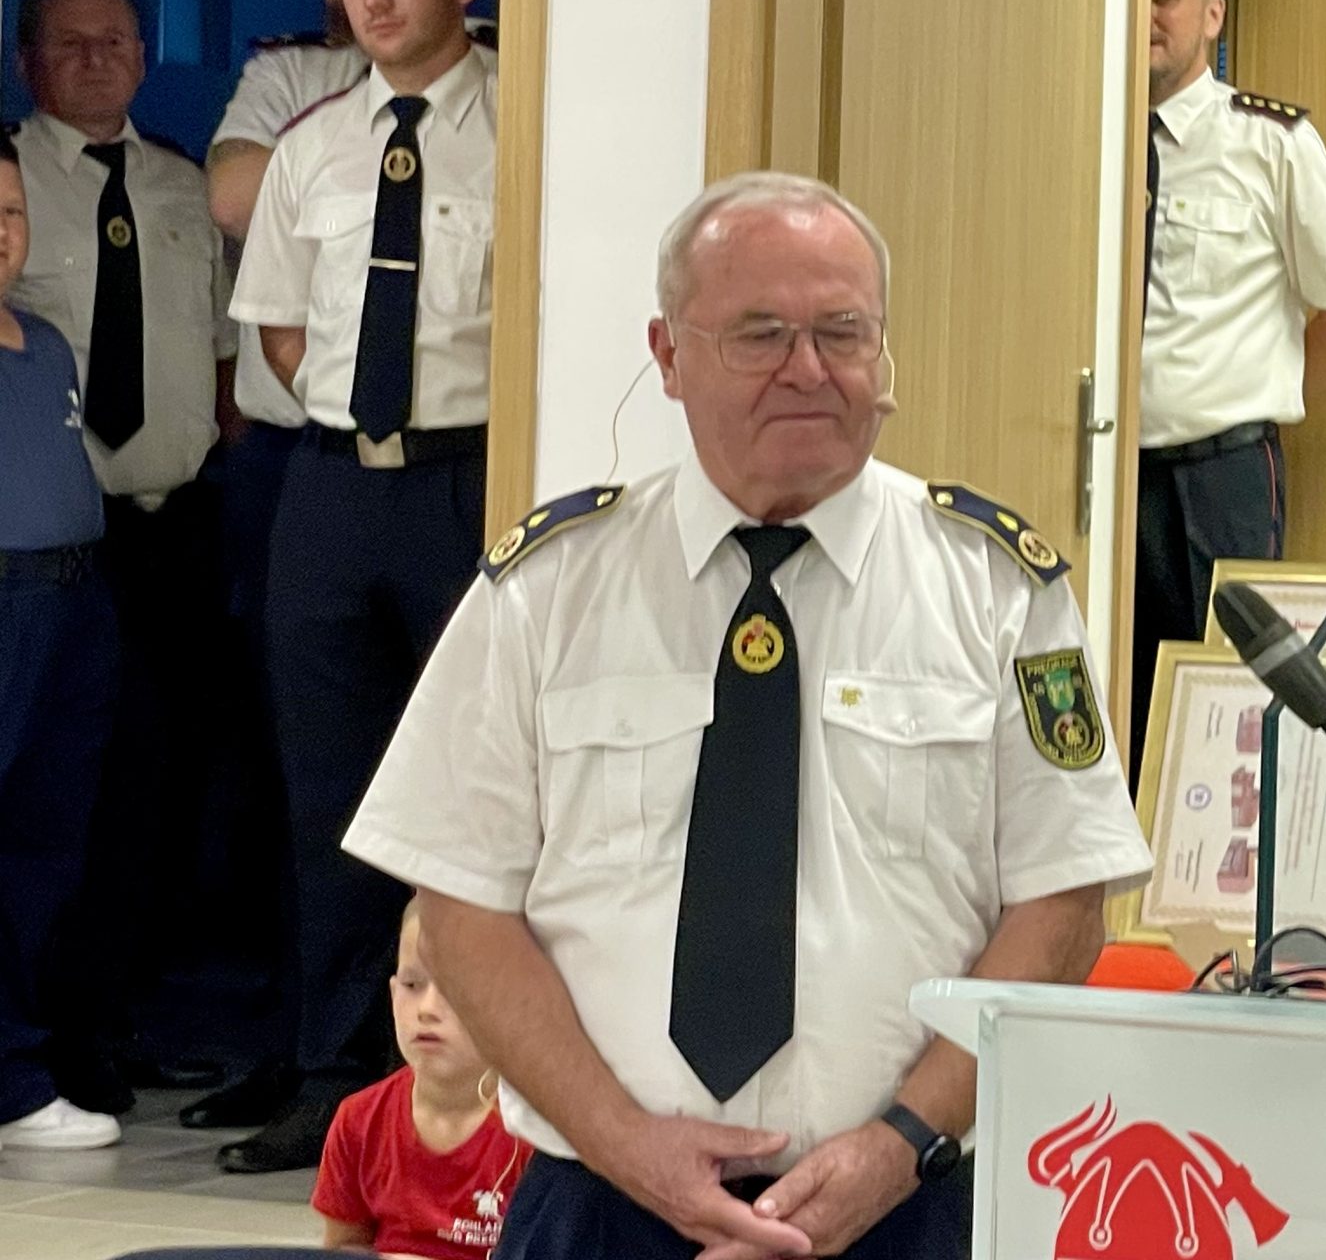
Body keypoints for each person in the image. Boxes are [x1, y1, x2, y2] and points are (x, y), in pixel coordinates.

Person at [338, 171, 1152, 1260]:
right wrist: (623, 1143)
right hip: (601, 1205)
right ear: (668, 355)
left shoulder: (1000, 591)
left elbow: (1063, 903)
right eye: (761, 334)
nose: (807, 369)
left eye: (842, 332)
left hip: (908, 1205)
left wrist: (900, 1146)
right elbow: (462, 907)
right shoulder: (546, 590)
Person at [222, 0, 497, 1175]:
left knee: (479, 791)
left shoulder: (528, 132)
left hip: (470, 482)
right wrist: (360, 420)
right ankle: (338, 1085)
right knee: (328, 791)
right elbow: (282, 331)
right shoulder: (315, 146)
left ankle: (479, 1081)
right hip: (333, 491)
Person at [185, 0, 415, 1141]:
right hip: (303, 467)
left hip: (453, 470)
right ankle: (315, 1060)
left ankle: (437, 1073)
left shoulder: (502, 87)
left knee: (446, 777)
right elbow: (235, 202)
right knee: (304, 773)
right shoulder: (289, 81)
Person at [8, 0, 232, 1116]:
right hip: (55, 544)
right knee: (58, 796)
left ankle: (114, 1019)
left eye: (117, 41)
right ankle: (45, 1038)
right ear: (27, 63)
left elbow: (224, 353)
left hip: (175, 529)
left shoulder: (185, 185)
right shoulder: (10, 183)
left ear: (144, 57)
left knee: (155, 788)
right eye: (71, 43)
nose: (98, 60)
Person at [1129, 0, 1326, 781]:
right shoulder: (1096, 136)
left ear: (1213, 16)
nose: (1147, 14)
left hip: (1224, 476)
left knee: (1225, 713)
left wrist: (1271, 394)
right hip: (1114, 476)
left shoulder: (1271, 141)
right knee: (1122, 706)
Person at [114, 899, 524, 1259]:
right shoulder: (359, 1119)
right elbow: (344, 1248)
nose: (427, 1009)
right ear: (392, 991)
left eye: (455, 987)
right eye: (413, 984)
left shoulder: (530, 1131)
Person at [0, 130, 122, 1153]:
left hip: (73, 603)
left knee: (48, 847)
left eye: (9, 214)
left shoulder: (44, 345)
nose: (1, 235)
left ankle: (31, 1056)